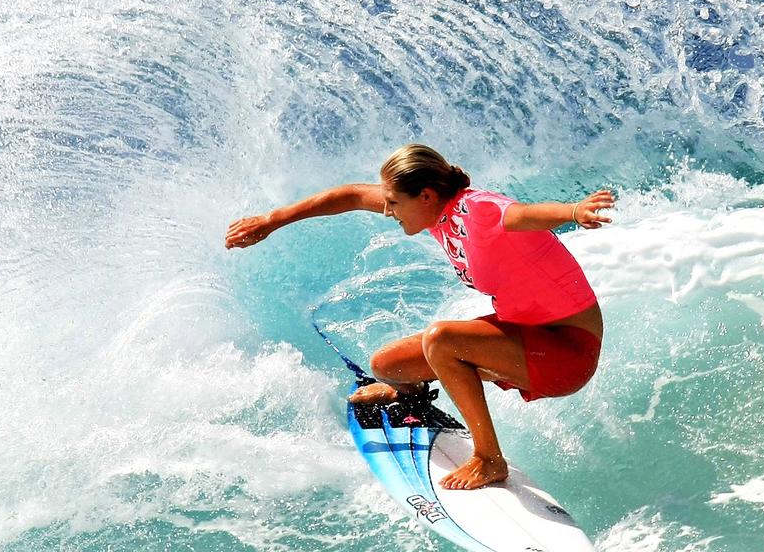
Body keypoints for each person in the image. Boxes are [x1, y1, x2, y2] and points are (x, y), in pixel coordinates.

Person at [224, 144, 613, 490]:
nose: (387, 210)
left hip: (568, 352)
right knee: (388, 365)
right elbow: (352, 195)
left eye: (394, 203)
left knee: (442, 339)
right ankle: (412, 397)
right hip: (525, 335)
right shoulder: (432, 210)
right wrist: (272, 221)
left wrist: (574, 211)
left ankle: (490, 460)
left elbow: (525, 215)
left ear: (426, 195)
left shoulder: (478, 210)